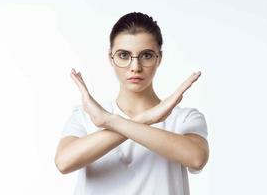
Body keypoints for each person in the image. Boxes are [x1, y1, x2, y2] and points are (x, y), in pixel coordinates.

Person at [54, 11, 209, 195]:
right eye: (123, 55)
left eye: (146, 55)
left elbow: (197, 158)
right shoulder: (85, 116)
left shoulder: (184, 118)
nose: (135, 67)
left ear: (159, 58)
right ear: (110, 58)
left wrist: (109, 121)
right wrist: (145, 119)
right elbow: (63, 162)